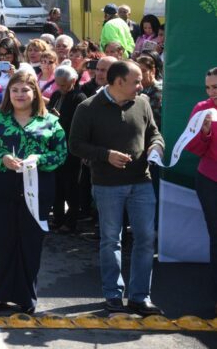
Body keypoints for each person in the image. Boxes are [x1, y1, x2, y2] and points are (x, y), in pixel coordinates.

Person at [69, 60, 165, 316]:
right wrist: (105, 155)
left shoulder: (143, 103)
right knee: (111, 240)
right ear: (118, 82)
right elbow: (75, 145)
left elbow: (154, 133)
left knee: (145, 238)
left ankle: (139, 297)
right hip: (107, 185)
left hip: (141, 182)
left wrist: (156, 146)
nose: (140, 85)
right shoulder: (88, 108)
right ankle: (113, 294)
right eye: (135, 81)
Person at [0, 69, 66, 314]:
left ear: (34, 93)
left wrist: (39, 159)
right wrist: (1, 157)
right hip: (1, 185)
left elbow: (60, 154)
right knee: (3, 239)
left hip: (37, 187)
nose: (19, 94)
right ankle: (1, 295)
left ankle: (27, 297)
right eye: (14, 90)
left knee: (30, 241)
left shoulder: (50, 121)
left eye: (25, 90)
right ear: (8, 93)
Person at [183, 67, 217, 316]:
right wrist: (204, 132)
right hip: (210, 179)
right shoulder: (202, 108)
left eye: (215, 87)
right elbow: (192, 146)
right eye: (208, 87)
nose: (211, 92)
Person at [48, 64, 87, 233]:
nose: (61, 88)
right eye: (58, 84)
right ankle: (57, 218)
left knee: (71, 186)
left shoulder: (79, 97)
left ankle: (70, 221)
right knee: (56, 185)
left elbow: (79, 126)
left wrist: (59, 119)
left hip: (71, 148)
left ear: (73, 81)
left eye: (64, 85)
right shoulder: (56, 94)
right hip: (55, 146)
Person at [137, 55, 163, 131]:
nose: (140, 75)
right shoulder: (135, 90)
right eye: (138, 71)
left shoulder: (160, 90)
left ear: (153, 71)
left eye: (143, 71)